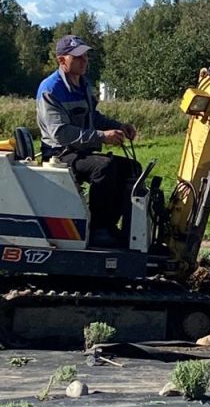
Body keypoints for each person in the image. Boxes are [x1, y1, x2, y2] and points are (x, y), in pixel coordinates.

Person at [36, 35, 138, 248]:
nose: (84, 60)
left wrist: (119, 126)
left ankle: (110, 226)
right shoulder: (50, 89)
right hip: (60, 153)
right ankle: (98, 231)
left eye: (85, 55)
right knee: (104, 168)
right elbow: (61, 133)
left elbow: (94, 117)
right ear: (62, 60)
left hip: (80, 151)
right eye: (78, 56)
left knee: (132, 168)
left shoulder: (83, 84)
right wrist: (102, 136)